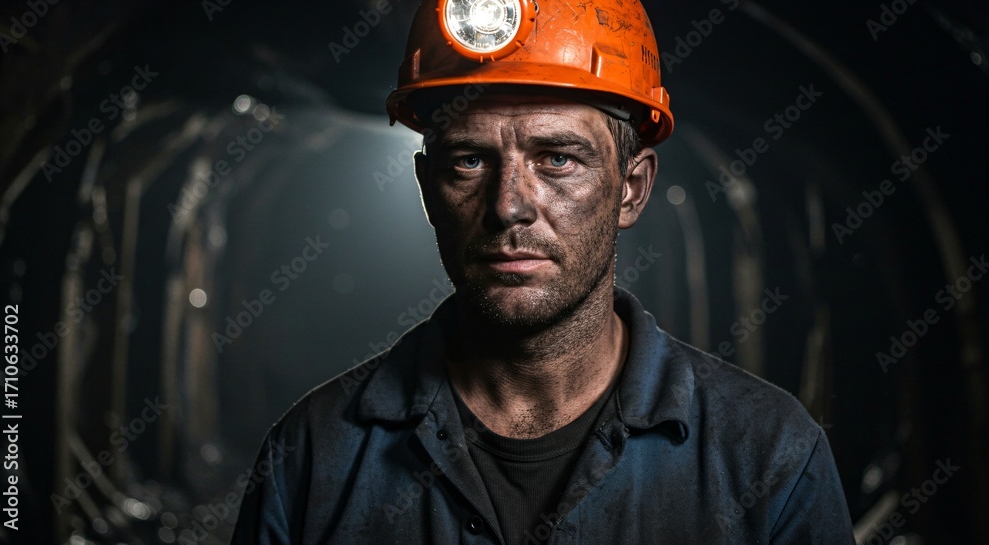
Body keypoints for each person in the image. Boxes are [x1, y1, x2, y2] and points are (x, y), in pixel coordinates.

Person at [230, 0, 856, 542]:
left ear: (632, 188)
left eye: (557, 159)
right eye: (469, 160)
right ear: (426, 189)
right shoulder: (312, 458)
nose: (508, 206)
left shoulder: (769, 457)